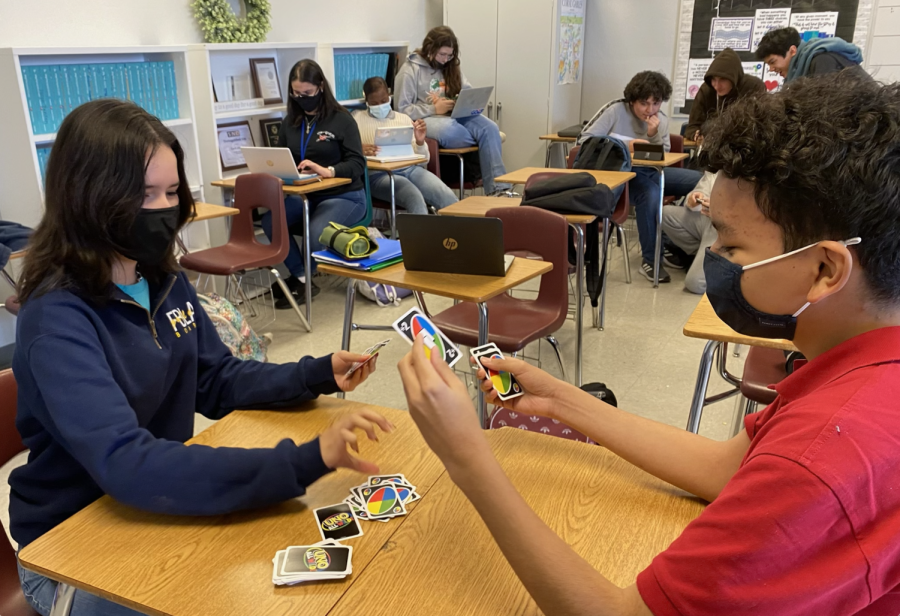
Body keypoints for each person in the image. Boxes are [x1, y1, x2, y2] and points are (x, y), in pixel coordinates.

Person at [399, 71, 900, 615]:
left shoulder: (823, 456)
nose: (718, 263)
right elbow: (724, 468)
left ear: (826, 268)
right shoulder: (854, 369)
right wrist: (561, 400)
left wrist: (465, 456)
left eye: (731, 246)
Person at [12, 99, 391, 616]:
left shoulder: (162, 279)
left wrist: (315, 372)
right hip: (69, 549)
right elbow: (127, 462)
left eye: (171, 192)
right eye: (144, 195)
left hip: (150, 508)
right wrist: (301, 462)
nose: (164, 209)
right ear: (90, 196)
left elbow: (217, 379)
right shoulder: (55, 320)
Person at [581, 71, 702, 283]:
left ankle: (668, 241)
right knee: (651, 192)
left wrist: (652, 135)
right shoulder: (616, 111)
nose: (650, 110)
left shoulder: (660, 120)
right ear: (632, 100)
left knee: (698, 180)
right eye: (644, 104)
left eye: (656, 104)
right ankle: (651, 259)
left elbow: (664, 155)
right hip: (621, 174)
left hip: (650, 171)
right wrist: (626, 146)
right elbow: (585, 141)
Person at [265, 59, 367, 308]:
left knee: (315, 231)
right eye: (296, 93)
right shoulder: (291, 121)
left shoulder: (342, 120)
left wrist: (328, 170)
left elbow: (357, 164)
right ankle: (302, 277)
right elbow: (280, 156)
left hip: (345, 196)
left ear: (321, 87)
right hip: (306, 195)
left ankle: (301, 281)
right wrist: (276, 171)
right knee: (270, 220)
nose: (302, 98)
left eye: (307, 93)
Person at [395, 26, 511, 196]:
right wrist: (434, 108)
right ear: (430, 48)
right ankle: (485, 142)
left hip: (454, 114)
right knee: (452, 132)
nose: (445, 59)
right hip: (428, 117)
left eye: (450, 55)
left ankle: (499, 191)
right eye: (442, 54)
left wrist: (462, 102)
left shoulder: (451, 65)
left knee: (490, 128)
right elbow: (402, 109)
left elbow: (467, 91)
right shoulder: (410, 70)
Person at [352, 76, 458, 216]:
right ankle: (419, 238)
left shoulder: (403, 119)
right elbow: (345, 152)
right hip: (378, 175)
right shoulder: (356, 120)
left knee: (447, 197)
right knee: (414, 198)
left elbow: (424, 160)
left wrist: (420, 142)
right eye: (374, 103)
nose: (380, 105)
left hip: (411, 170)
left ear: (389, 96)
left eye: (383, 101)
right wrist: (358, 149)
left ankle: (461, 236)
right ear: (366, 102)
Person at [683, 48, 765, 143]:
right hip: (713, 147)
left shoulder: (753, 86)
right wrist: (696, 134)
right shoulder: (707, 89)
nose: (717, 86)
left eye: (723, 79)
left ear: (733, 78)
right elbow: (692, 126)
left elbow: (760, 125)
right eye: (714, 79)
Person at [661, 170, 716, 294]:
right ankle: (705, 255)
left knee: (696, 284)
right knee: (665, 214)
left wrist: (722, 209)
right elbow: (703, 187)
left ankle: (726, 261)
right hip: (708, 219)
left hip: (732, 228)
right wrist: (695, 198)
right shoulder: (720, 164)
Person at [756, 27, 864, 82]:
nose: (771, 69)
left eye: (772, 62)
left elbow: (827, 107)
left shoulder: (822, 60)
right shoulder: (801, 66)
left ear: (792, 51)